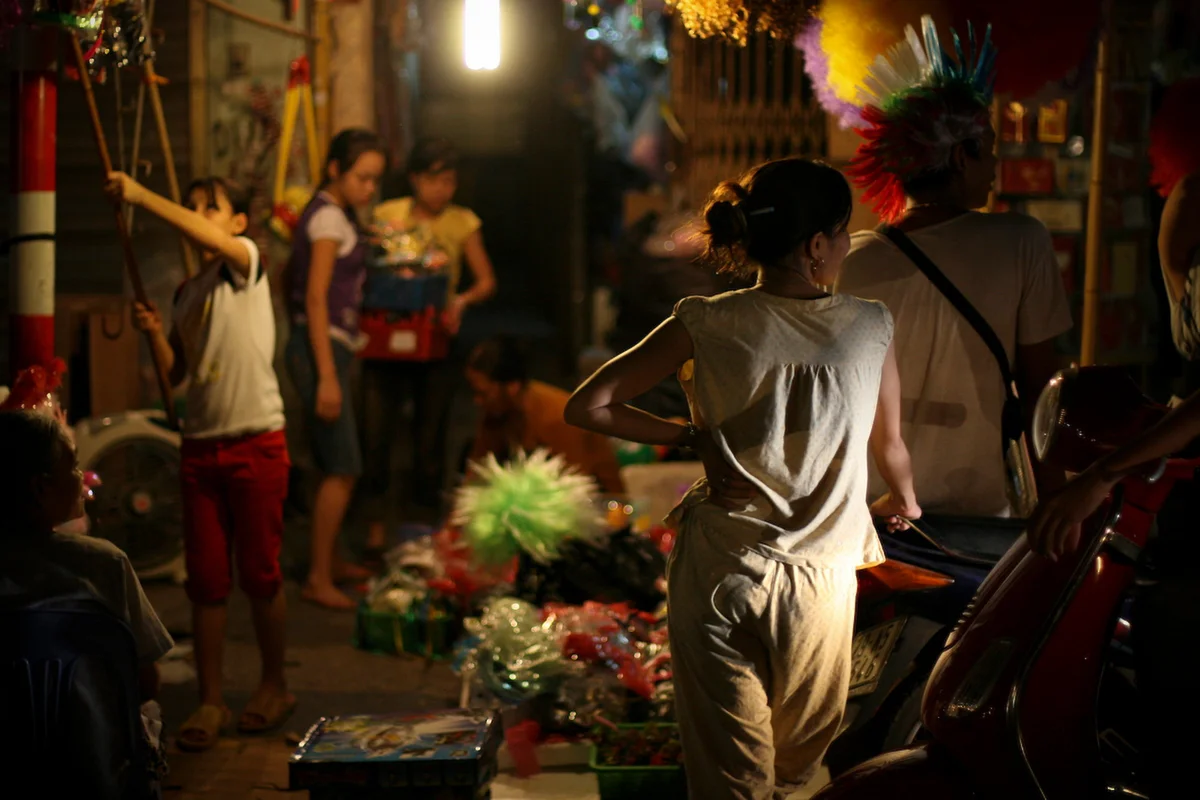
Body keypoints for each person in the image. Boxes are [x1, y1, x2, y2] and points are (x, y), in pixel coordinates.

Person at [565, 157, 920, 798]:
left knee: (731, 778)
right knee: (794, 771)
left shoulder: (705, 319)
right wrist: (905, 500)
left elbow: (588, 405)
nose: (845, 244)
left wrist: (687, 435)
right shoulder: (870, 325)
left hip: (719, 565)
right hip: (820, 579)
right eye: (842, 232)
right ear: (817, 245)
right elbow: (890, 443)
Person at [834, 17, 1072, 519]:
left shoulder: (849, 258)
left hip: (868, 510)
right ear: (962, 157)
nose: (994, 166)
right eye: (987, 150)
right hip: (978, 505)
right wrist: (1054, 495)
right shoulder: (1021, 240)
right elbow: (1040, 387)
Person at [109, 171, 295, 750]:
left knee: (260, 574)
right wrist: (159, 336)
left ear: (238, 222)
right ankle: (212, 698)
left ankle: (274, 683)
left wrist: (143, 197)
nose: (197, 215)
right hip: (201, 446)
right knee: (207, 583)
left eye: (208, 207)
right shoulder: (189, 291)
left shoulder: (245, 263)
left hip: (256, 439)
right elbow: (179, 377)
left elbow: (212, 242)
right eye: (192, 207)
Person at [0, 409, 173, 792]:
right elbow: (146, 682)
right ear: (40, 488)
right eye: (73, 466)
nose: (82, 478)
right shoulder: (104, 564)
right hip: (93, 762)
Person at [365, 138, 497, 552]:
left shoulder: (463, 222)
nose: (443, 189)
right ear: (415, 179)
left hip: (436, 339)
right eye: (434, 180)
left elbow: (486, 280)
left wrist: (460, 300)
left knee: (431, 435)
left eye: (450, 181)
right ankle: (374, 525)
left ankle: (423, 526)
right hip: (388, 339)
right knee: (377, 434)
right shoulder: (389, 215)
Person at [284, 128, 387, 610]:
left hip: (329, 349)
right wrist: (327, 373)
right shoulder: (327, 218)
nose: (369, 188)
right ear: (335, 171)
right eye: (362, 178)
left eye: (375, 180)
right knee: (343, 466)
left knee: (332, 462)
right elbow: (315, 297)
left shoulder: (335, 214)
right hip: (319, 349)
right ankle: (318, 577)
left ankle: (335, 559)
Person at [466, 337, 624, 494]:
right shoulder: (496, 413)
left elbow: (576, 491)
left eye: (483, 394)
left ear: (512, 387)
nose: (477, 401)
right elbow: (476, 475)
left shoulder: (557, 418)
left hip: (596, 504)